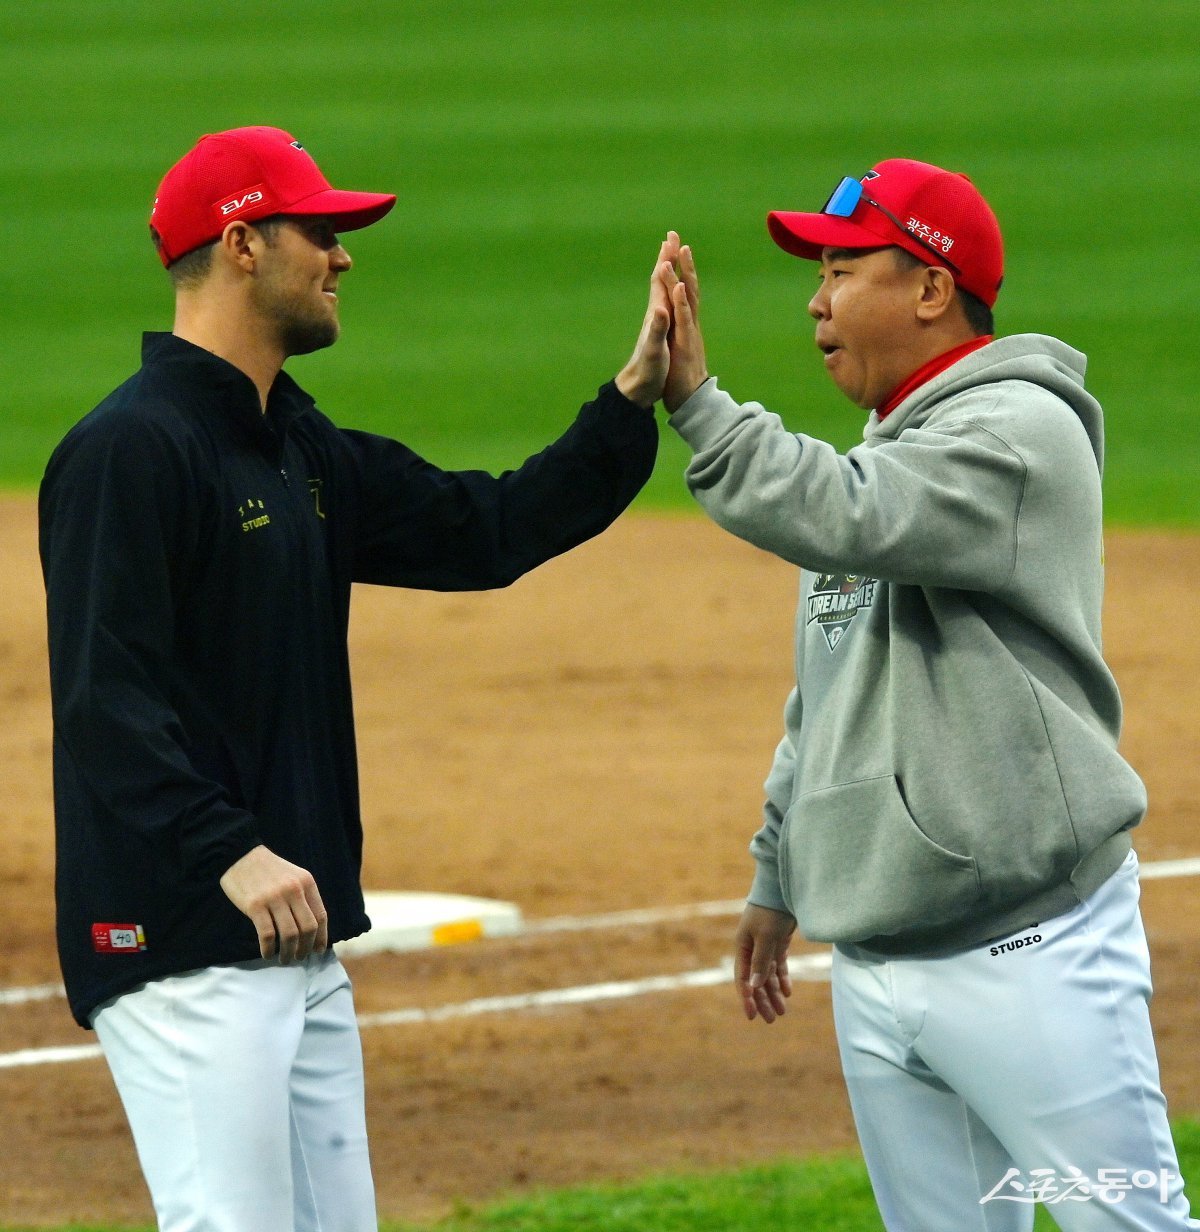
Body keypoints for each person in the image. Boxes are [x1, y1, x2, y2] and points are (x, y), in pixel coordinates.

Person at [39, 125, 675, 1232]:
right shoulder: (130, 450)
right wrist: (229, 849)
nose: (342, 258)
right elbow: (107, 701)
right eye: (321, 232)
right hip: (185, 939)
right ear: (242, 244)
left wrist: (630, 400)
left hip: (298, 942)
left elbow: (490, 528)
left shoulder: (298, 447)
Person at [651, 160, 1199, 1230]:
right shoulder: (889, 448)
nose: (816, 299)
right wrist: (779, 870)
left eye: (842, 267)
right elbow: (827, 691)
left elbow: (848, 512)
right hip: (879, 959)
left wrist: (700, 407)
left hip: (1031, 952)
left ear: (932, 288)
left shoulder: (1015, 435)